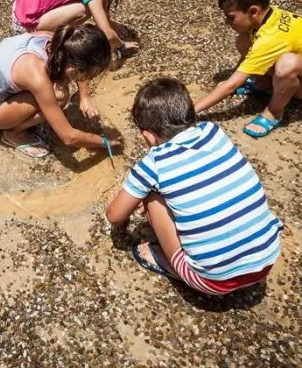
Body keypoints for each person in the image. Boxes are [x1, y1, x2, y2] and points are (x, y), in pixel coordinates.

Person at [106, 78, 282, 295]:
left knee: (151, 197)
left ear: (148, 136)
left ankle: (163, 259)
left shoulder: (154, 164)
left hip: (214, 282)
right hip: (266, 260)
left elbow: (114, 216)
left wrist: (125, 202)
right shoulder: (214, 132)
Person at [194, 0, 302, 138]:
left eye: (231, 17)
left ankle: (274, 112)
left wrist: (192, 112)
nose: (226, 22)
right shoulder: (267, 15)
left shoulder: (270, 39)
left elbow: (230, 85)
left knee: (288, 64)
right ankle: (264, 84)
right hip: (294, 65)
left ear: (253, 11)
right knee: (244, 40)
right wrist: (238, 79)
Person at [12, 0, 138, 122]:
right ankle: (55, 36)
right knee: (85, 9)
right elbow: (108, 35)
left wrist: (108, 21)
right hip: (27, 24)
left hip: (21, 7)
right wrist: (121, 45)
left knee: (89, 4)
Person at [0, 24, 122, 158]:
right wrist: (104, 141)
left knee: (57, 89)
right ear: (75, 69)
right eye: (91, 74)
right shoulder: (36, 75)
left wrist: (85, 96)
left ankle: (23, 116)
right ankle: (13, 133)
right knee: (60, 96)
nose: (89, 78)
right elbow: (69, 137)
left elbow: (78, 63)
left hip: (8, 78)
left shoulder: (61, 41)